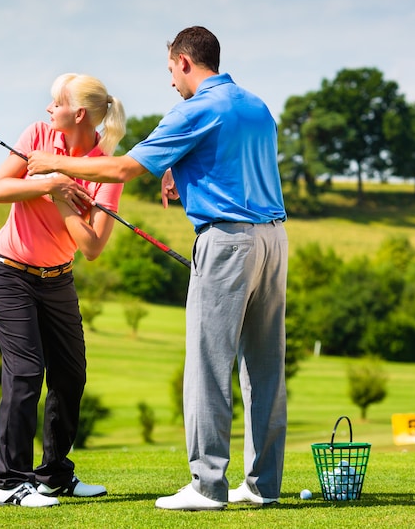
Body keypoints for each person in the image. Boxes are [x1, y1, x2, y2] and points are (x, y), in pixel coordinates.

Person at [27, 26, 288, 511]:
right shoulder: (255, 105)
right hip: (274, 240)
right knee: (265, 367)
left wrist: (53, 165)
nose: (171, 81)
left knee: (208, 366)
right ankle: (262, 485)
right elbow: (230, 160)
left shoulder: (196, 108)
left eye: (171, 69)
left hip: (227, 242)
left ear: (186, 62)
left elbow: (124, 169)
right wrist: (178, 170)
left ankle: (207, 486)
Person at [0, 73, 127, 508]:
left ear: (78, 113)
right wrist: (49, 182)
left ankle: (54, 476)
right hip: (10, 273)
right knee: (26, 371)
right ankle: (10, 483)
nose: (48, 109)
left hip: (57, 278)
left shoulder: (106, 169)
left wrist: (62, 188)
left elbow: (92, 247)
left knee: (70, 375)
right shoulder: (38, 135)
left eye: (55, 102)